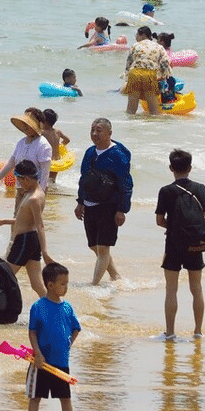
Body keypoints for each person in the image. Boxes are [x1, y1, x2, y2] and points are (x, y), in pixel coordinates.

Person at [154, 149, 205, 340]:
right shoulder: (201, 188)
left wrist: (174, 227)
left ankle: (170, 333)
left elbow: (159, 220)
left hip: (174, 244)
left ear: (171, 168)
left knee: (171, 289)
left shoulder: (166, 191)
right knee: (197, 288)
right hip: (196, 244)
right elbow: (202, 216)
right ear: (190, 167)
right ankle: (198, 331)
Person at [74, 118, 133, 286]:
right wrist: (80, 202)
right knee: (94, 246)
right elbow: (83, 179)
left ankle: (94, 285)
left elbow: (126, 184)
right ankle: (115, 275)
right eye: (92, 129)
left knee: (103, 247)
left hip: (109, 206)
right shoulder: (90, 152)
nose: (94, 134)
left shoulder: (117, 156)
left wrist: (122, 209)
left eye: (99, 130)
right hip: (90, 205)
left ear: (109, 133)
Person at [0, 159, 54, 299]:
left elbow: (40, 225)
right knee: (37, 285)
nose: (19, 184)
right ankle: (56, 309)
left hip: (25, 241)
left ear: (27, 179)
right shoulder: (36, 193)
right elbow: (25, 220)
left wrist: (45, 252)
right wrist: (4, 221)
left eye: (19, 180)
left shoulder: (34, 198)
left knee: (3, 276)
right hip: (31, 240)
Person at [26, 262, 80, 411]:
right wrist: (37, 353)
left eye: (67, 283)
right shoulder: (38, 306)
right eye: (62, 284)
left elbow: (76, 328)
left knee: (65, 397)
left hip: (61, 361)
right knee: (35, 397)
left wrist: (68, 344)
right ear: (50, 285)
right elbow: (32, 332)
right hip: (41, 363)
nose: (66, 287)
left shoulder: (67, 308)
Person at [0, 110, 53, 193]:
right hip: (20, 188)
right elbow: (11, 163)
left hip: (35, 190)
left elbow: (45, 174)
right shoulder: (21, 142)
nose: (24, 127)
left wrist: (40, 194)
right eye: (24, 124)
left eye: (27, 124)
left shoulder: (43, 145)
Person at [124, 26, 170, 115]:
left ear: (143, 35)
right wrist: (164, 76)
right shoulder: (159, 47)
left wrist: (126, 78)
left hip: (135, 74)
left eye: (137, 35)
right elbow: (165, 62)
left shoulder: (135, 45)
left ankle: (129, 127)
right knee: (153, 110)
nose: (136, 37)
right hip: (150, 75)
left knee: (131, 110)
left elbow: (129, 63)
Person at [41, 109, 70, 184]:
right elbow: (67, 140)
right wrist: (60, 146)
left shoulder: (42, 132)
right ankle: (53, 191)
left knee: (43, 180)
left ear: (45, 121)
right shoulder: (57, 131)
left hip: (47, 160)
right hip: (56, 162)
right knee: (52, 180)